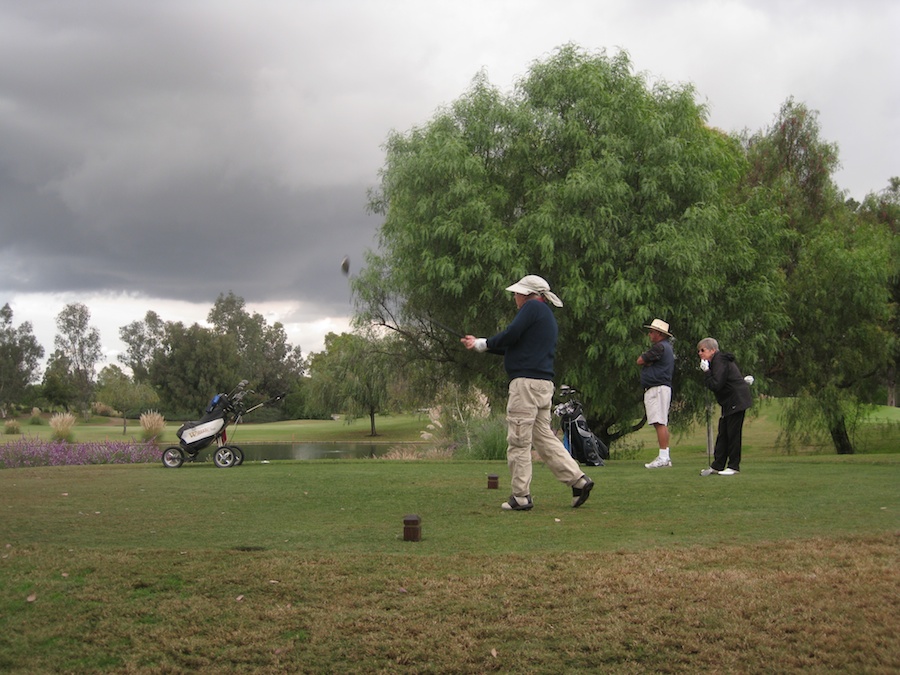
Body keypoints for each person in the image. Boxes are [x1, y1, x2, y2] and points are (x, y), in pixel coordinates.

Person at [461, 275, 594, 511]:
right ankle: (578, 481)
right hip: (542, 386)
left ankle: (521, 497)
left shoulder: (532, 307)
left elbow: (510, 335)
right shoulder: (545, 315)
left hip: (526, 386)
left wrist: (486, 343)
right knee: (543, 438)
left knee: (519, 441)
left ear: (527, 294)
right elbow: (515, 346)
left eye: (516, 293)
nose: (514, 297)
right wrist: (482, 344)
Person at [698, 337, 753, 476]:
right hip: (730, 401)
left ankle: (734, 466)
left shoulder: (719, 360)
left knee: (732, 434)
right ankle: (717, 465)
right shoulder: (718, 361)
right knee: (723, 433)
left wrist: (706, 372)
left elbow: (716, 384)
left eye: (702, 350)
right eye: (699, 351)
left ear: (712, 350)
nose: (700, 353)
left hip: (736, 399)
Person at [637, 318, 675, 468]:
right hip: (659, 388)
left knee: (660, 422)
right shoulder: (665, 348)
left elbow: (640, 360)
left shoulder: (659, 347)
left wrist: (647, 362)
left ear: (659, 334)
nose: (649, 335)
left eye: (652, 332)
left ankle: (664, 456)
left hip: (658, 388)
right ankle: (665, 455)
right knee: (660, 422)